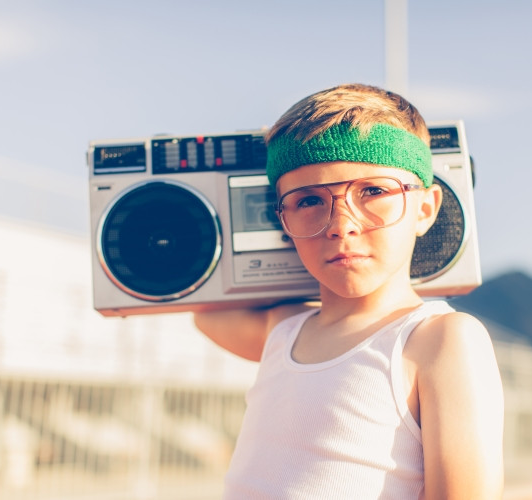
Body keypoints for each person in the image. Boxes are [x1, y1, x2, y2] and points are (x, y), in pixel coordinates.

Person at [194, 83, 503, 499]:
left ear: (426, 209)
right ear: (281, 220)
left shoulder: (439, 340)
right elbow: (202, 309)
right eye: (307, 202)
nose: (341, 223)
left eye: (373, 191)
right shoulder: (283, 330)